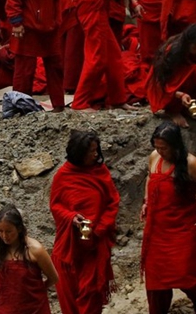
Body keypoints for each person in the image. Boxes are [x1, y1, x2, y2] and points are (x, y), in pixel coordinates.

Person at [141, 122, 196, 314]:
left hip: (183, 229)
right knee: (156, 279)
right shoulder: (154, 158)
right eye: (157, 147)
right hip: (157, 229)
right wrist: (147, 201)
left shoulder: (191, 163)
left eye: (164, 148)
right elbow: (150, 177)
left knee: (186, 274)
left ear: (175, 146)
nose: (160, 151)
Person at [50, 130, 120, 314]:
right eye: (90, 151)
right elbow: (55, 205)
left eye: (96, 150)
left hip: (94, 247)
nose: (95, 154)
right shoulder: (63, 175)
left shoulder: (100, 171)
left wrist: (100, 228)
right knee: (70, 300)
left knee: (90, 298)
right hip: (69, 247)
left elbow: (113, 202)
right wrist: (71, 217)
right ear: (78, 153)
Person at [0, 205, 59, 314]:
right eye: (0, 231)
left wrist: (36, 290)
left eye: (9, 231)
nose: (4, 236)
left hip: (34, 308)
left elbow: (54, 278)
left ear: (19, 229)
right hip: (3, 308)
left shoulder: (35, 250)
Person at [147, 24, 196, 127]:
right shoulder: (173, 51)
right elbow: (162, 82)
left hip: (180, 84)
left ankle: (188, 106)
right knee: (194, 72)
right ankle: (172, 110)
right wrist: (180, 95)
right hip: (163, 85)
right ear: (188, 43)